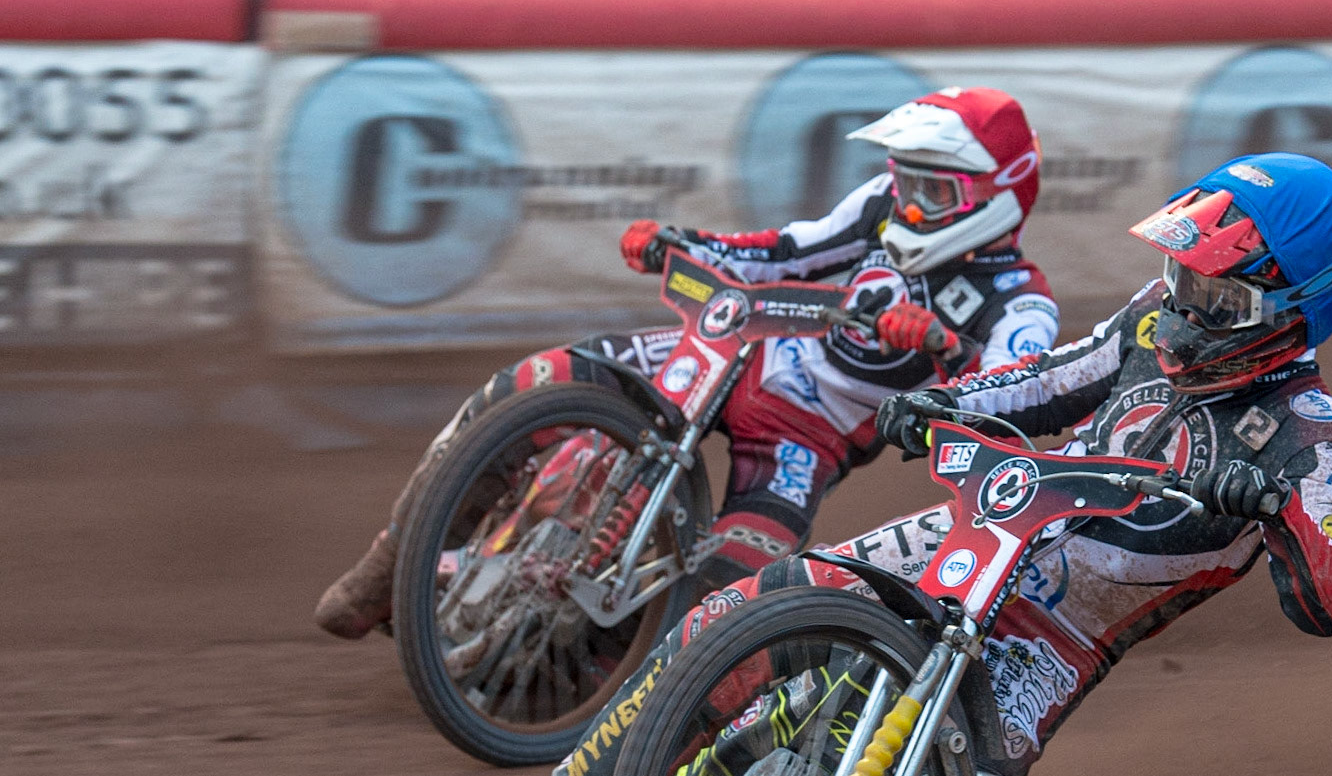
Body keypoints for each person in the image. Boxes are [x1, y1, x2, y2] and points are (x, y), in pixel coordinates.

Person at [479, 151, 1332, 776]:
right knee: (732, 620)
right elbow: (1053, 377)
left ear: (1292, 308)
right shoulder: (1148, 320)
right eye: (1182, 278)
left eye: (1216, 296)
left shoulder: (1306, 437)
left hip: (1054, 640)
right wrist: (944, 401)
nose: (1182, 309)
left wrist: (1276, 506)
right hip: (982, 528)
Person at [313, 86, 1058, 638]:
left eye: (933, 189)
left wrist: (945, 350)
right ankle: (392, 561)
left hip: (807, 441)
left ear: (996, 196)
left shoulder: (1022, 307)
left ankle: (580, 670)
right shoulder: (879, 206)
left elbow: (1007, 415)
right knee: (531, 386)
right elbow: (787, 252)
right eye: (906, 179)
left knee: (723, 600)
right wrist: (683, 243)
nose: (909, 202)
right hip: (740, 351)